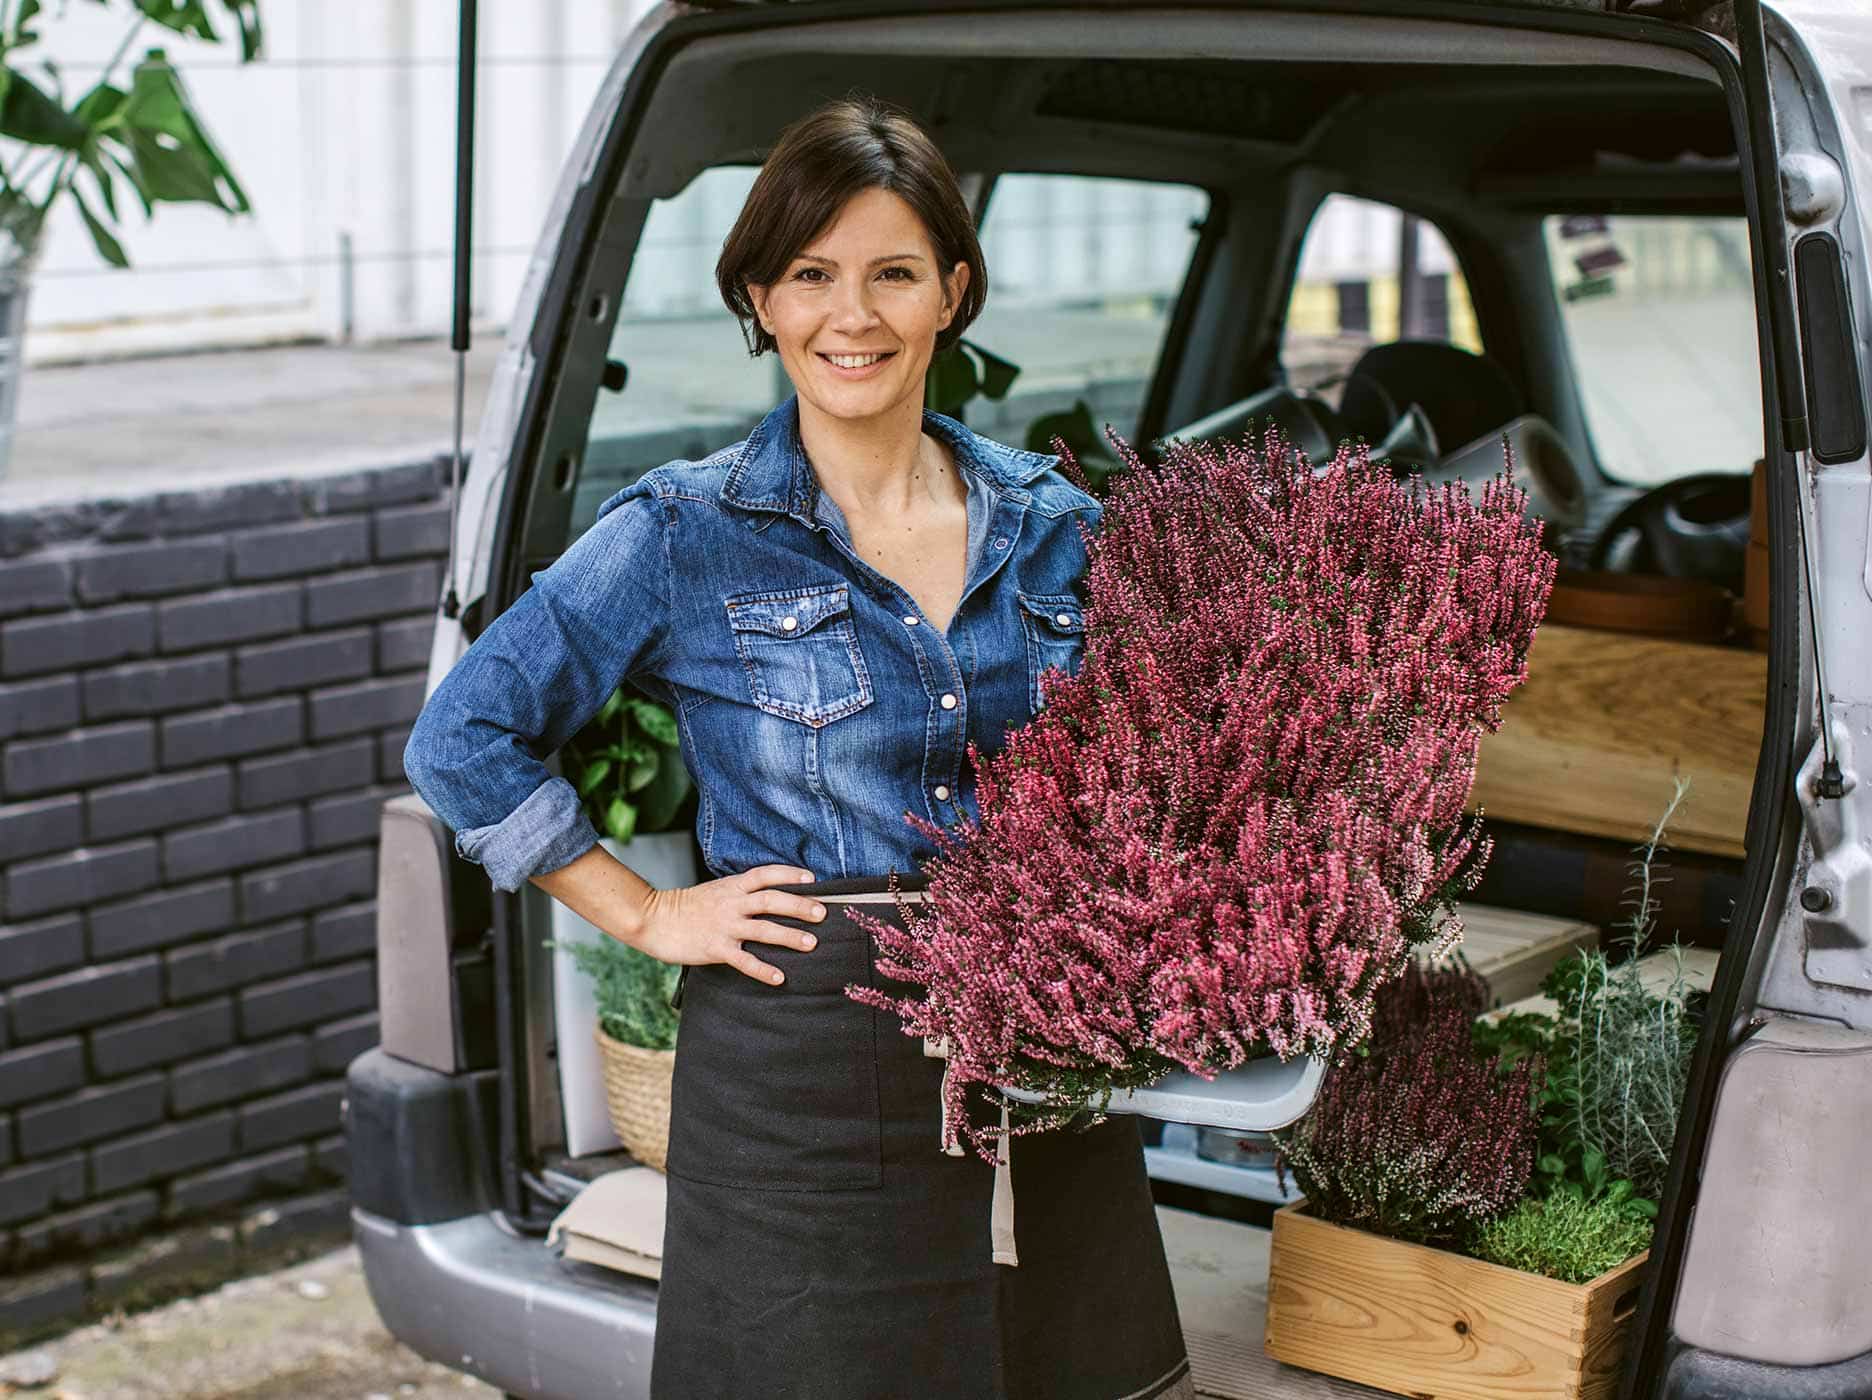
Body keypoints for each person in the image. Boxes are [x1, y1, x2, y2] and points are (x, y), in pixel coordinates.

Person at [401, 92, 1193, 1400]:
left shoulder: (1057, 523)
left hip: (1045, 1050)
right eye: (813, 275)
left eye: (893, 273)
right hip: (802, 1079)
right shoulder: (683, 533)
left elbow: (1156, 759)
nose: (854, 314)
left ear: (953, 289)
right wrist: (649, 917)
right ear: (761, 301)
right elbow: (463, 736)